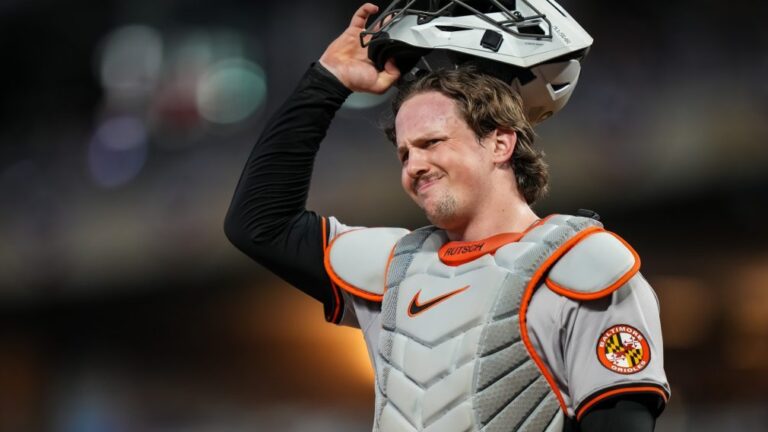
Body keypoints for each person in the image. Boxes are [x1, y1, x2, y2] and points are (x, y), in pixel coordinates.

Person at [224, 3, 669, 431]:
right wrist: (327, 82)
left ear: (500, 143)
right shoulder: (393, 268)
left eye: (432, 142)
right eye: (404, 153)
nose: (413, 166)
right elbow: (259, 223)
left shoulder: (583, 265)